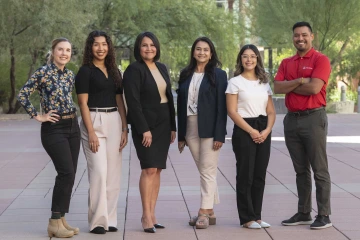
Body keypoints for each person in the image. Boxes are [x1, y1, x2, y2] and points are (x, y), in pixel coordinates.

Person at [17, 38, 80, 238]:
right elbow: (23, 94)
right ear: (53, 52)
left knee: (71, 175)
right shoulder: (43, 72)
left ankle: (61, 219)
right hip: (54, 129)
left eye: (68, 50)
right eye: (60, 49)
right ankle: (53, 222)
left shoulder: (70, 74)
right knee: (65, 172)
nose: (64, 53)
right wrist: (38, 116)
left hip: (73, 126)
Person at [274, 21, 332, 229]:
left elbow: (314, 88)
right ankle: (304, 212)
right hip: (291, 120)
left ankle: (324, 214)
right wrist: (300, 81)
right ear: (293, 38)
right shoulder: (286, 63)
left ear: (311, 36)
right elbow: (277, 86)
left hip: (313, 118)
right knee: (300, 170)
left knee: (319, 169)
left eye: (304, 35)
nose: (300, 39)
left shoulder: (321, 60)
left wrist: (291, 85)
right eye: (297, 35)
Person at [123, 32, 176, 233]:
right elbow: (133, 103)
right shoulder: (133, 70)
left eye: (152, 45)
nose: (149, 48)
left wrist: (173, 126)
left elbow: (168, 97)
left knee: (158, 169)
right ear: (138, 48)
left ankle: (153, 214)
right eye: (144, 45)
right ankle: (145, 215)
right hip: (144, 124)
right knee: (148, 169)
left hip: (163, 123)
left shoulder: (162, 67)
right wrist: (143, 128)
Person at [75, 30, 128, 234]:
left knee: (114, 174)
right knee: (98, 172)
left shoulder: (114, 70)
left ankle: (111, 219)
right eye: (96, 44)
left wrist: (125, 127)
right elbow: (83, 103)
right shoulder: (85, 72)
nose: (101, 48)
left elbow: (119, 100)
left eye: (104, 44)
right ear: (90, 47)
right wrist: (91, 132)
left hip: (114, 120)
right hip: (93, 120)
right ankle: (98, 221)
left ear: (109, 47)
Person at [177, 37, 227, 229]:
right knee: (206, 170)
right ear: (193, 52)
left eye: (206, 50)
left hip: (210, 128)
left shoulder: (219, 75)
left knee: (207, 170)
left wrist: (219, 135)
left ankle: (203, 212)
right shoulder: (185, 74)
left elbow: (222, 108)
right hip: (190, 127)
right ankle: (211, 212)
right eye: (198, 49)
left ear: (211, 53)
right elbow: (180, 105)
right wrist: (182, 135)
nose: (202, 53)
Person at [226, 44, 275, 229]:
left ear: (257, 59)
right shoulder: (235, 82)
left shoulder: (264, 82)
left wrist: (267, 130)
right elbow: (232, 111)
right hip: (244, 129)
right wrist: (251, 131)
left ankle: (257, 216)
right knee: (245, 174)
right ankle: (247, 218)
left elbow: (270, 111)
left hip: (263, 128)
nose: (249, 59)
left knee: (259, 174)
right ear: (240, 59)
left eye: (253, 56)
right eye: (245, 56)